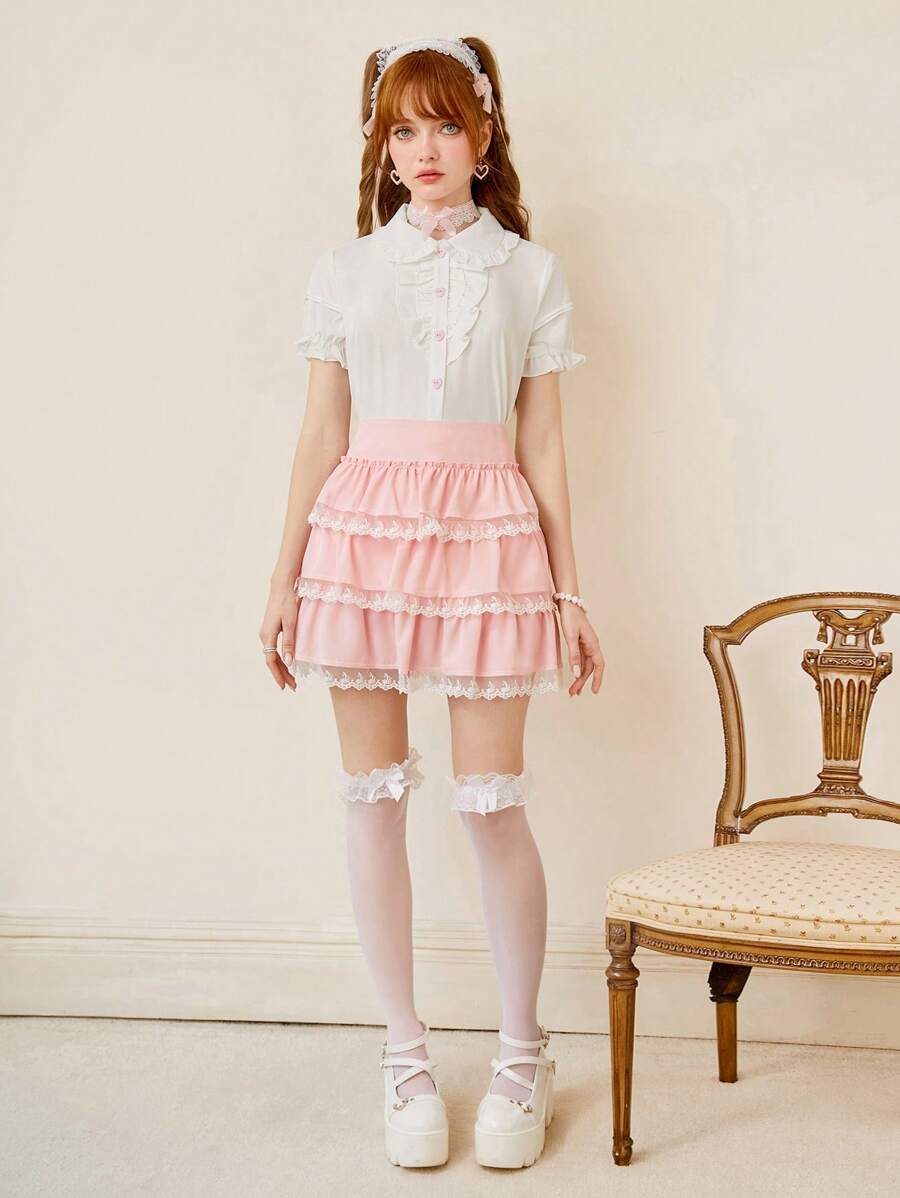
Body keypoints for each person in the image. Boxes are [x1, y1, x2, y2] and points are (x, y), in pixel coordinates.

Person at [259, 35, 605, 1170]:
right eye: (401, 129)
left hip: (489, 537)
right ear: (381, 146)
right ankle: (404, 1053)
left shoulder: (531, 272)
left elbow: (544, 443)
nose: (423, 149)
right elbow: (322, 430)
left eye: (445, 124)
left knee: (491, 803)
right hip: (361, 538)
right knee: (372, 800)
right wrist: (283, 577)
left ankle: (521, 1051)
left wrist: (569, 588)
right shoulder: (345, 270)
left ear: (485, 134)